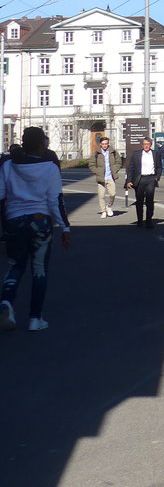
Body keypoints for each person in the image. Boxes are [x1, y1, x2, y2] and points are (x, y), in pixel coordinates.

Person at [0, 126, 70, 333]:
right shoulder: (49, 167)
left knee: (15, 265)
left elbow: (1, 196)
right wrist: (65, 228)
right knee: (39, 270)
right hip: (40, 222)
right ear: (41, 144)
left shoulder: (8, 166)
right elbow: (55, 201)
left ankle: (6, 302)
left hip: (14, 221)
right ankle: (35, 318)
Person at [126, 137, 164, 228]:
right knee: (139, 201)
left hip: (151, 179)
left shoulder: (156, 154)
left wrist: (157, 177)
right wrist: (128, 181)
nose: (146, 146)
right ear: (142, 145)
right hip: (140, 179)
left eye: (148, 144)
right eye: (144, 144)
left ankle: (149, 221)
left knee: (149, 201)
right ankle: (140, 220)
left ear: (151, 145)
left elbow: (159, 167)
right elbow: (131, 168)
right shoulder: (136, 154)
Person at [88, 136, 125, 218]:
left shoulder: (113, 152)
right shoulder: (96, 153)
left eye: (106, 144)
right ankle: (103, 211)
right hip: (101, 177)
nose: (105, 145)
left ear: (108, 144)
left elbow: (119, 162)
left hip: (110, 177)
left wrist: (115, 170)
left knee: (112, 194)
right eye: (103, 144)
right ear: (100, 144)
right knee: (101, 196)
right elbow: (91, 164)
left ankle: (109, 206)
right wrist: (97, 171)